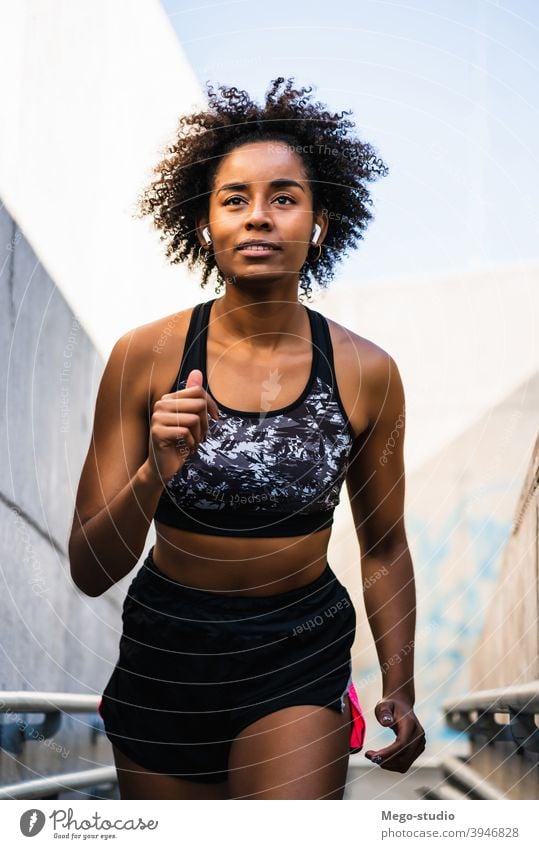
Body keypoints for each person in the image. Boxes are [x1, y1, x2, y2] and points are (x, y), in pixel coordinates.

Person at [68, 77, 425, 800]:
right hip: (165, 650)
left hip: (298, 645)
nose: (257, 217)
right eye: (234, 199)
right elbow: (89, 566)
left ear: (319, 222)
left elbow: (383, 544)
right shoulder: (145, 356)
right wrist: (155, 471)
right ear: (203, 225)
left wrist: (400, 682)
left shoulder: (366, 373)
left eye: (283, 198)